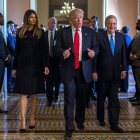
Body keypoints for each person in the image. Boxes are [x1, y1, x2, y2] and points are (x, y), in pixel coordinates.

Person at [54, 8, 98, 140]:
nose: (79, 20)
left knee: (82, 99)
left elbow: (96, 47)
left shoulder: (89, 32)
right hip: (69, 70)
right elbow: (56, 48)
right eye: (76, 17)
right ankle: (69, 127)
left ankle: (80, 121)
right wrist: (63, 53)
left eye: (81, 17)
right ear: (71, 19)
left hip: (84, 70)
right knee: (69, 99)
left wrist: (93, 53)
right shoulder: (63, 32)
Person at [12, 9, 49, 131]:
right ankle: (22, 121)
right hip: (23, 66)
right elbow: (17, 52)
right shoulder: (20, 32)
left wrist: (46, 66)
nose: (33, 19)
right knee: (22, 94)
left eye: (35, 17)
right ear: (27, 18)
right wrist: (14, 67)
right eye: (31, 17)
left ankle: (32, 117)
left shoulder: (40, 33)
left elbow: (44, 51)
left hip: (36, 67)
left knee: (34, 94)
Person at [93, 15, 127, 133]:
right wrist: (94, 71)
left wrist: (124, 69)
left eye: (114, 24)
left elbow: (123, 54)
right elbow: (95, 57)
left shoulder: (121, 37)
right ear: (106, 24)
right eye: (110, 23)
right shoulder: (99, 37)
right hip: (102, 74)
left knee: (114, 100)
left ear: (116, 25)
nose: (112, 26)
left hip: (115, 74)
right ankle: (101, 118)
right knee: (101, 99)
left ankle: (114, 124)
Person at [44, 17, 61, 106]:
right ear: (48, 24)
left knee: (57, 81)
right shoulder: (44, 34)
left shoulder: (59, 34)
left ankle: (56, 97)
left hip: (57, 62)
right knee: (49, 82)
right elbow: (42, 50)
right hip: (47, 62)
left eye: (54, 22)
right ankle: (49, 99)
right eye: (51, 22)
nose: (53, 24)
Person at [0, 13, 10, 113]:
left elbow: (3, 45)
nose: (3, 19)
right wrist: (5, 57)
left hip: (2, 62)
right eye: (2, 17)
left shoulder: (0, 31)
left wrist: (8, 54)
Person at [128, 19, 140, 106]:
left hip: (138, 61)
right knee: (137, 82)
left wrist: (136, 56)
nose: (136, 24)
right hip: (134, 62)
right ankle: (137, 96)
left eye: (138, 23)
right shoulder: (137, 33)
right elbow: (133, 45)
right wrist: (131, 53)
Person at [120, 26, 132, 92]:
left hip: (124, 59)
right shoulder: (129, 37)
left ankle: (124, 88)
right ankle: (124, 88)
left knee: (124, 73)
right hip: (127, 58)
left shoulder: (123, 38)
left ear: (122, 30)